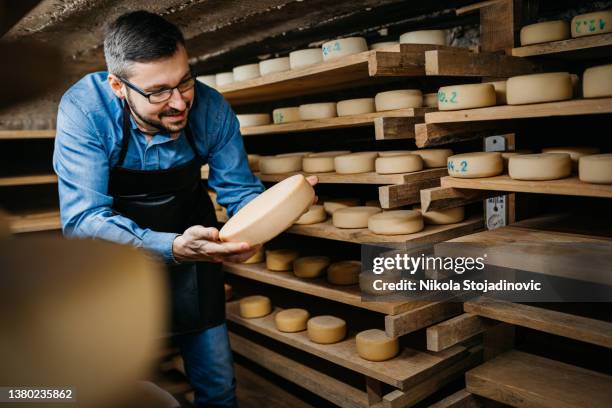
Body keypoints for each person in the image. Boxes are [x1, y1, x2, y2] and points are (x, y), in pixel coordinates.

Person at [53, 10, 317, 407]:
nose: (179, 102)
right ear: (117, 86)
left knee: (218, 384)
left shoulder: (210, 108)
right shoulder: (85, 112)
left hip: (196, 247)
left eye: (184, 81)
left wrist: (278, 207)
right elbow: (83, 220)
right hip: (111, 260)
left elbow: (240, 193)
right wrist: (172, 246)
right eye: (158, 91)